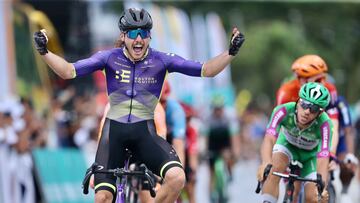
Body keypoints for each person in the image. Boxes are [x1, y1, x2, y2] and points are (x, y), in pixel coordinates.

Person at [33, 8, 244, 203]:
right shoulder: (108, 58)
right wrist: (45, 52)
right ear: (123, 36)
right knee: (102, 198)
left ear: (150, 36)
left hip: (145, 133)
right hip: (113, 133)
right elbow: (68, 71)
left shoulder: (162, 60)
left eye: (144, 33)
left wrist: (231, 52)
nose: (139, 39)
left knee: (177, 178)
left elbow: (206, 69)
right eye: (133, 34)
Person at [257, 82, 331, 203]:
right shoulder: (283, 110)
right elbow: (269, 138)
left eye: (314, 108)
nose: (307, 111)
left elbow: (323, 155)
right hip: (287, 146)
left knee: (313, 198)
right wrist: (265, 162)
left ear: (320, 113)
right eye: (304, 104)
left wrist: (322, 186)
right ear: (298, 101)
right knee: (273, 170)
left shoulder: (325, 124)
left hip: (309, 157)